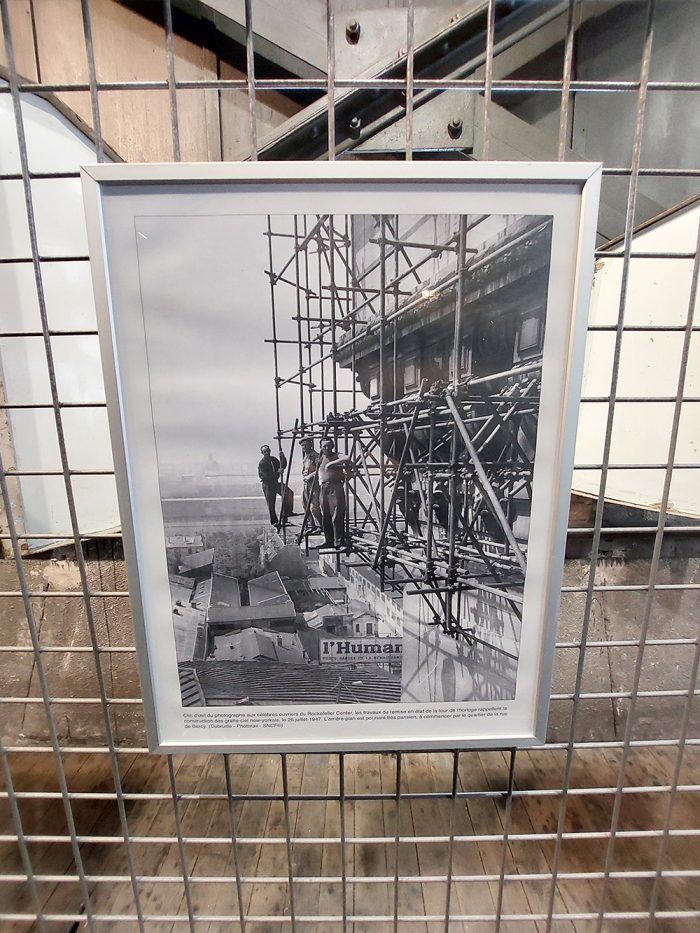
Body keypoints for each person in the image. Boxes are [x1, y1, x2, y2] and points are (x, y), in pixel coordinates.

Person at [317, 438, 354, 549]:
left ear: (332, 446)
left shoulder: (337, 455)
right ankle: (329, 540)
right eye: (324, 446)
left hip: (335, 486)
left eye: (328, 446)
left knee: (337, 514)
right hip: (324, 487)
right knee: (326, 514)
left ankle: (339, 541)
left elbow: (347, 458)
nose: (326, 448)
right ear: (321, 447)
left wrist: (332, 463)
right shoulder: (322, 457)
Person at [258, 444, 286, 526]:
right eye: (265, 451)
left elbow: (282, 466)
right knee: (271, 503)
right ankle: (274, 522)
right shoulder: (262, 463)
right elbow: (267, 477)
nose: (267, 452)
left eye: (268, 450)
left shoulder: (274, 460)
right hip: (268, 485)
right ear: (262, 453)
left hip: (275, 483)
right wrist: (278, 473)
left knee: (287, 493)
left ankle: (287, 513)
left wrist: (282, 457)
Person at [300, 437, 323, 532]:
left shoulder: (316, 456)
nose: (304, 447)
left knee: (314, 506)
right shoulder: (306, 457)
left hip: (314, 484)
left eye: (306, 445)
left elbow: (319, 470)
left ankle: (320, 526)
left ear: (311, 445)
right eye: (302, 446)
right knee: (305, 504)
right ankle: (312, 525)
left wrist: (310, 476)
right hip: (306, 484)